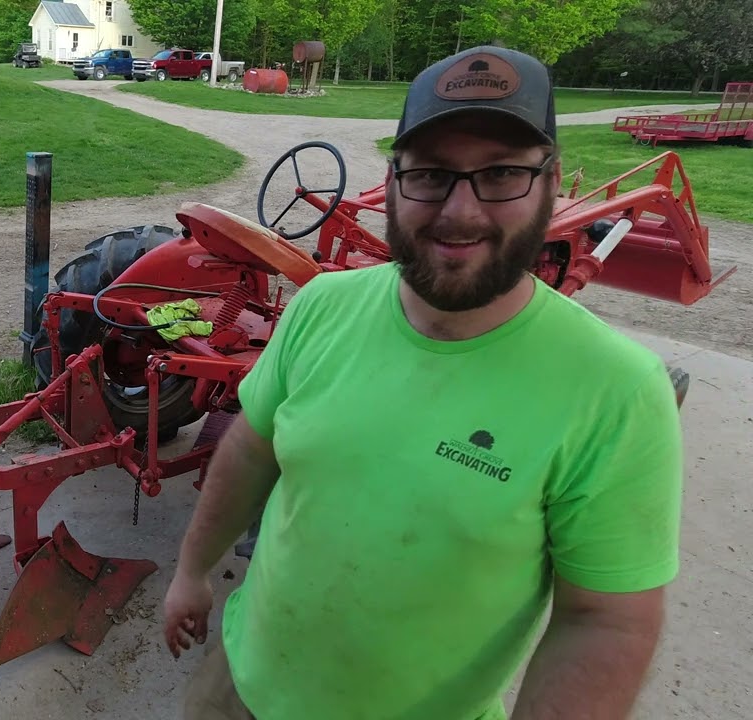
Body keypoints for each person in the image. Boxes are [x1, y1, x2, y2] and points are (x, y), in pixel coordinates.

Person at [161, 45, 685, 720]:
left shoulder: (617, 392)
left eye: (500, 174)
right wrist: (191, 572)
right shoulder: (322, 306)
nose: (459, 212)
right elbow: (250, 451)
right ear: (395, 178)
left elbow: (605, 622)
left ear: (551, 183)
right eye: (432, 175)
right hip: (237, 685)